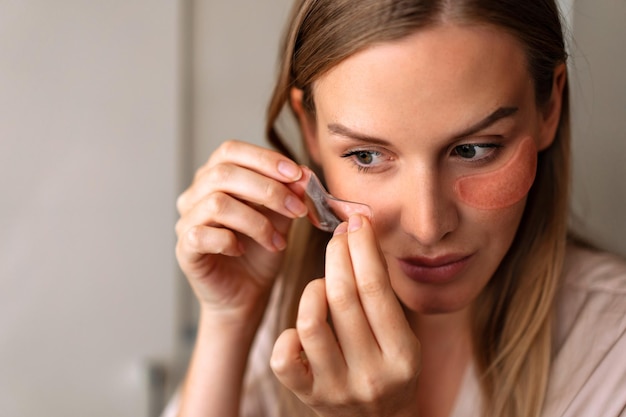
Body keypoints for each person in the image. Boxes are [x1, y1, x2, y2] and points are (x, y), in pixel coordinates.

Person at [169, 1, 626, 416]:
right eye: (366, 156)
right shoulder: (283, 305)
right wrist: (229, 320)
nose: (427, 227)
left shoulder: (612, 347)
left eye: (473, 150)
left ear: (550, 106)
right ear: (310, 130)